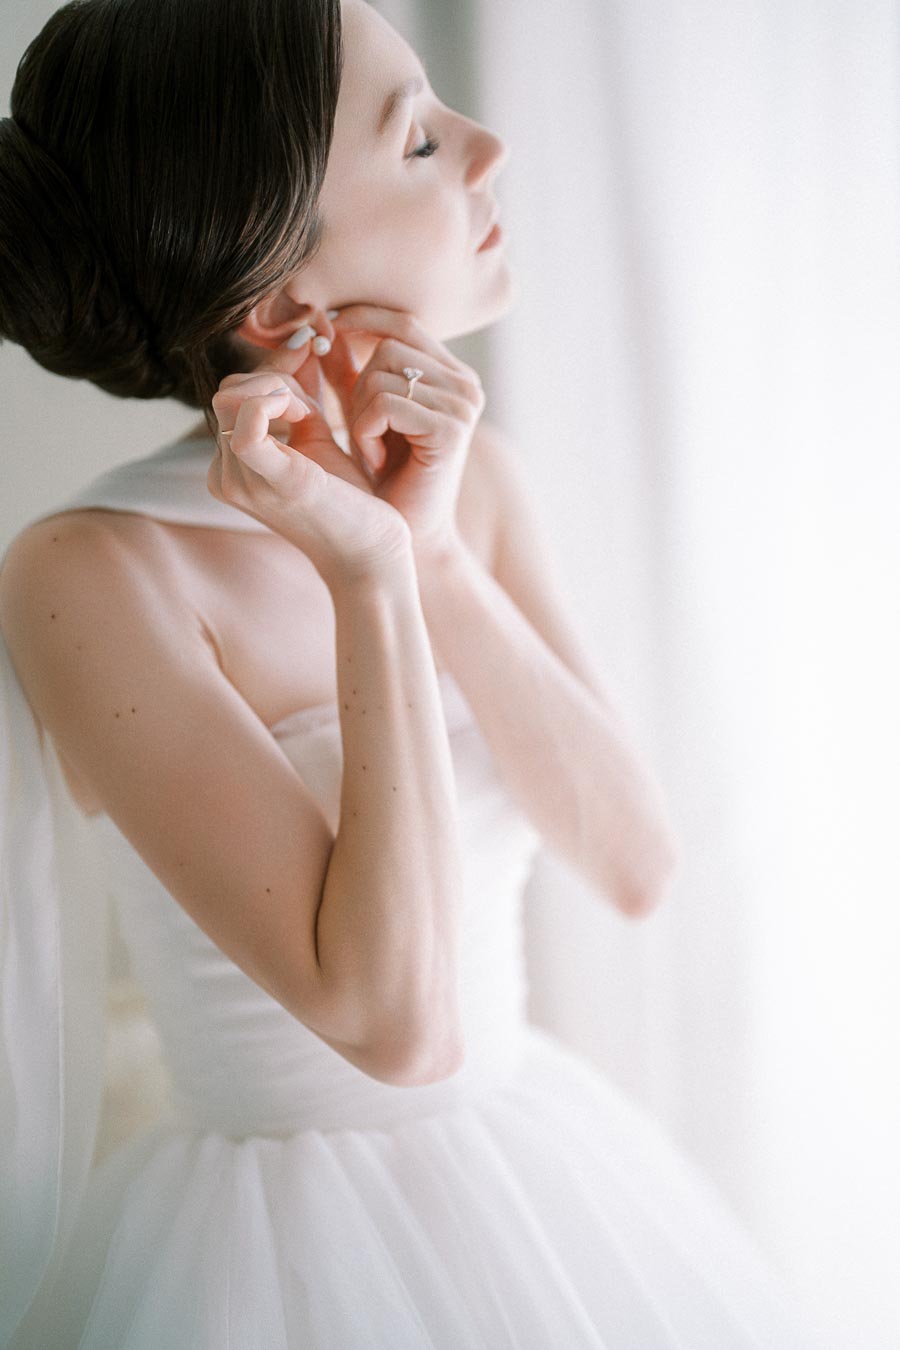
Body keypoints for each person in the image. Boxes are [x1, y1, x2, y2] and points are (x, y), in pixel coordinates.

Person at [0, 0, 829, 1345]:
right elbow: (390, 1023)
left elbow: (635, 864)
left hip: (542, 1174)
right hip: (264, 1258)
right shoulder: (88, 572)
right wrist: (369, 573)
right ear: (278, 302)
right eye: (423, 143)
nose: (490, 147)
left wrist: (437, 557)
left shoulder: (474, 485)